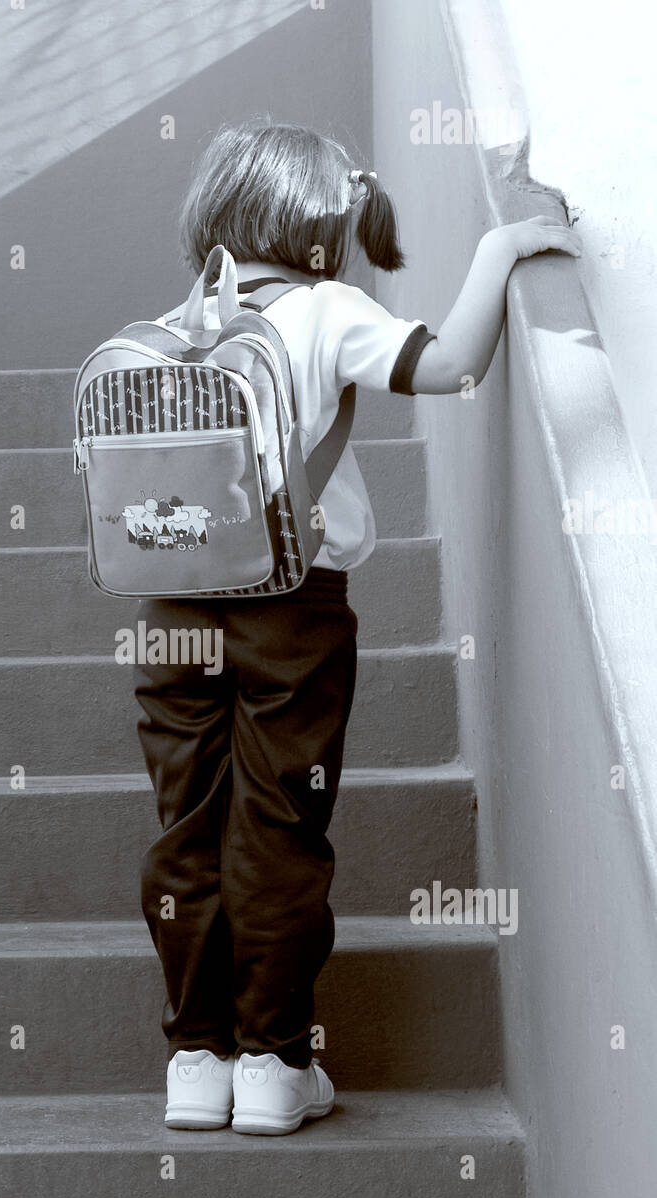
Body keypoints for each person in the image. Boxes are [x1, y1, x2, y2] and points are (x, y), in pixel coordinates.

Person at [133, 116, 581, 1136]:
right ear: (323, 222)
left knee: (188, 826)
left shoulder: (180, 319)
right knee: (278, 829)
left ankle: (194, 1059)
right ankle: (275, 1063)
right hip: (290, 610)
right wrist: (500, 248)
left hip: (169, 612)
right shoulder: (329, 309)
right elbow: (455, 364)